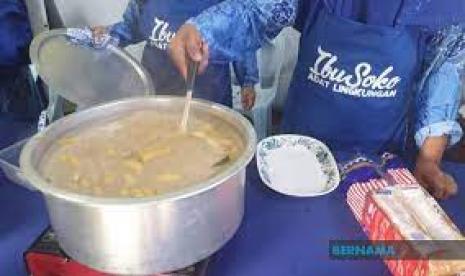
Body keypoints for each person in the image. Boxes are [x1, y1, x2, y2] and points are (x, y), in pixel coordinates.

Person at [169, 0, 465, 199]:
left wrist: (429, 159)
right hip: (297, 155)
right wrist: (205, 30)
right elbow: (259, 12)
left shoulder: (442, 8)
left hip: (379, 162)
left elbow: (444, 71)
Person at [93, 0, 259, 110]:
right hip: (157, 98)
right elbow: (132, 28)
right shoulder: (145, 2)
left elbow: (241, 42)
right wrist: (108, 34)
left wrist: (248, 81)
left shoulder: (223, 5)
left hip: (210, 101)